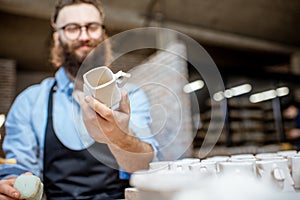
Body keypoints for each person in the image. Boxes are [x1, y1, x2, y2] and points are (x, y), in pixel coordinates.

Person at [0, 0, 157, 199]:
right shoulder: (30, 102)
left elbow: (143, 167)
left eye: (92, 27)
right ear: (57, 38)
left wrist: (119, 136)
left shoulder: (130, 96)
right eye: (72, 28)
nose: (84, 36)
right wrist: (12, 184)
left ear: (104, 35)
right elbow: (20, 166)